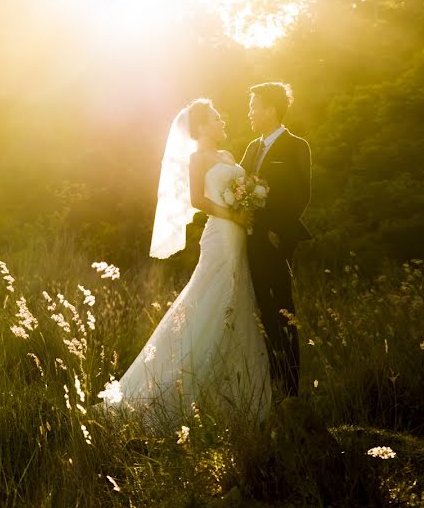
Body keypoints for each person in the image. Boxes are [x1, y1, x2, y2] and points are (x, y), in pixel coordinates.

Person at [104, 99, 271, 428]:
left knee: (237, 300)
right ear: (202, 127)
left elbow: (237, 188)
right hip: (221, 233)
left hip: (239, 234)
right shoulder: (198, 159)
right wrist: (234, 215)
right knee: (209, 299)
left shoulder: (226, 156)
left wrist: (249, 201)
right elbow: (198, 200)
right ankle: (169, 390)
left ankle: (236, 392)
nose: (223, 122)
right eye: (216, 118)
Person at [240, 82, 312, 399]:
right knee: (262, 311)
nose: (250, 113)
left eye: (254, 107)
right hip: (251, 241)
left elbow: (301, 196)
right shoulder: (252, 148)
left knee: (283, 309)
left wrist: (277, 232)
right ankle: (272, 387)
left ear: (270, 110)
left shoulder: (297, 146)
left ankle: (291, 389)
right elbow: (239, 184)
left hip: (276, 240)